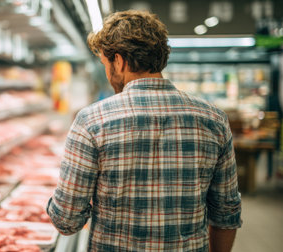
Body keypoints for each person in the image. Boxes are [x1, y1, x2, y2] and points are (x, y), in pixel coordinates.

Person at [46, 10, 242, 252]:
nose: (107, 73)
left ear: (118, 61)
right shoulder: (214, 119)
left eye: (106, 64)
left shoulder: (91, 121)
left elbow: (67, 220)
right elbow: (226, 213)